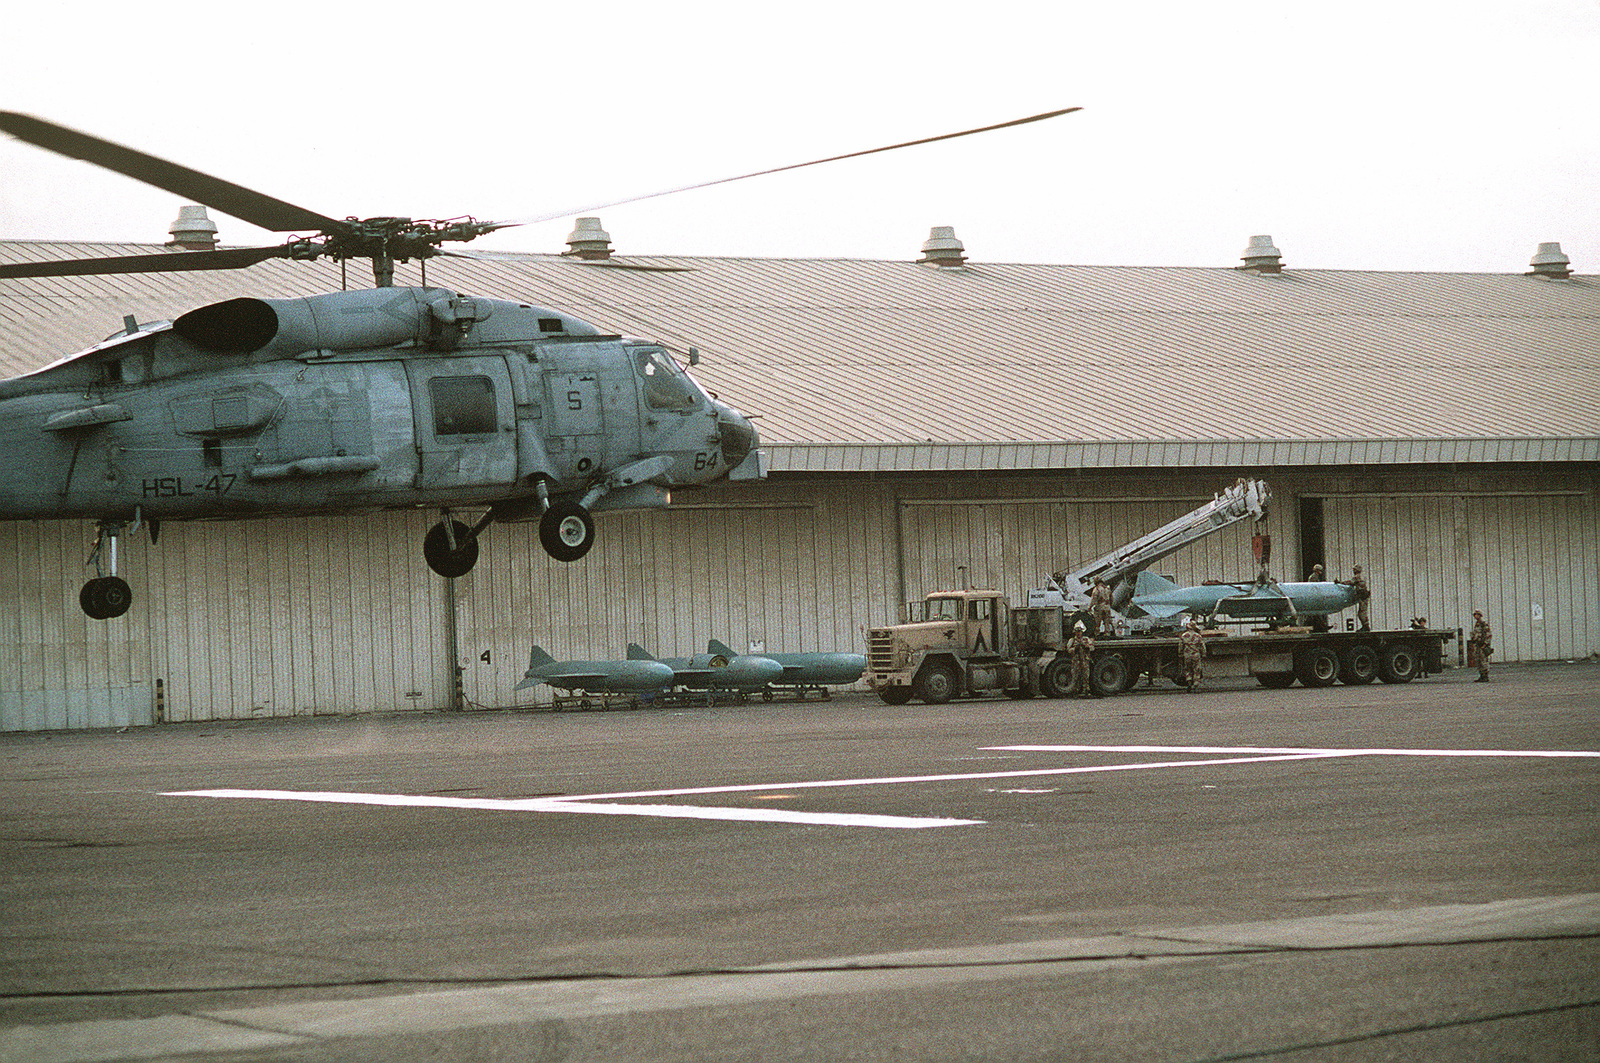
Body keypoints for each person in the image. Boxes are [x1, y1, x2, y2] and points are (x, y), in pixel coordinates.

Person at [1066, 621, 1095, 697]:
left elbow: (1092, 648)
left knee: (1086, 675)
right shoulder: (1072, 640)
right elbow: (1068, 650)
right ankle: (1076, 691)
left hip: (1085, 661)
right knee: (1076, 676)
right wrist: (1075, 648)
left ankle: (1086, 690)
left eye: (1079, 632)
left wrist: (1086, 646)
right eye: (1077, 632)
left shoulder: (1086, 639)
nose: (1078, 633)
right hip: (1076, 661)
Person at [1178, 616, 1206, 691]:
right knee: (1196, 669)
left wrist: (1180, 654)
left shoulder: (1184, 635)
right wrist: (1203, 654)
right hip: (1196, 654)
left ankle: (1189, 682)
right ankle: (1196, 685)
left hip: (1187, 654)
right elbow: (1202, 646)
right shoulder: (1198, 636)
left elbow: (1181, 646)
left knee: (1187, 669)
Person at [1469, 610, 1493, 682]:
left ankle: (1485, 676)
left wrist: (1485, 644)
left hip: (1482, 645)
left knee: (1483, 660)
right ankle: (1481, 675)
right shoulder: (1477, 624)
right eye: (1474, 615)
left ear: (1480, 615)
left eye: (1477, 615)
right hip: (1477, 644)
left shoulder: (1483, 624)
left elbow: (1488, 634)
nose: (1475, 616)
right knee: (1478, 660)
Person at [1349, 565, 1371, 631]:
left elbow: (1350, 582)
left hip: (1362, 596)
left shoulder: (1356, 577)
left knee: (1361, 613)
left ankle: (1366, 626)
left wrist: (1340, 582)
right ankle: (1365, 626)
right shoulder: (1362, 577)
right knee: (1362, 612)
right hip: (1365, 595)